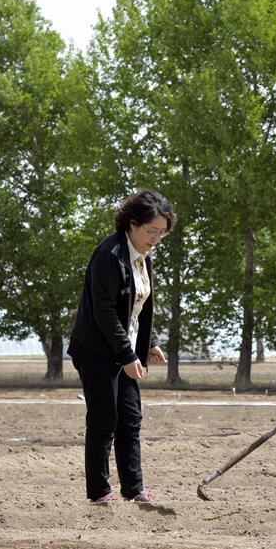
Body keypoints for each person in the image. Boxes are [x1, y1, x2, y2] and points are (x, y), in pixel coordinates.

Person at [68, 189, 175, 504]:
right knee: (104, 420)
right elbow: (105, 312)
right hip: (98, 352)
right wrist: (127, 356)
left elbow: (138, 304)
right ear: (131, 223)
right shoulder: (110, 254)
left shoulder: (143, 256)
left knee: (130, 419)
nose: (156, 239)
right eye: (151, 231)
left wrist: (150, 343)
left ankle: (134, 489)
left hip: (125, 350)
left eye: (162, 233)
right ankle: (100, 492)